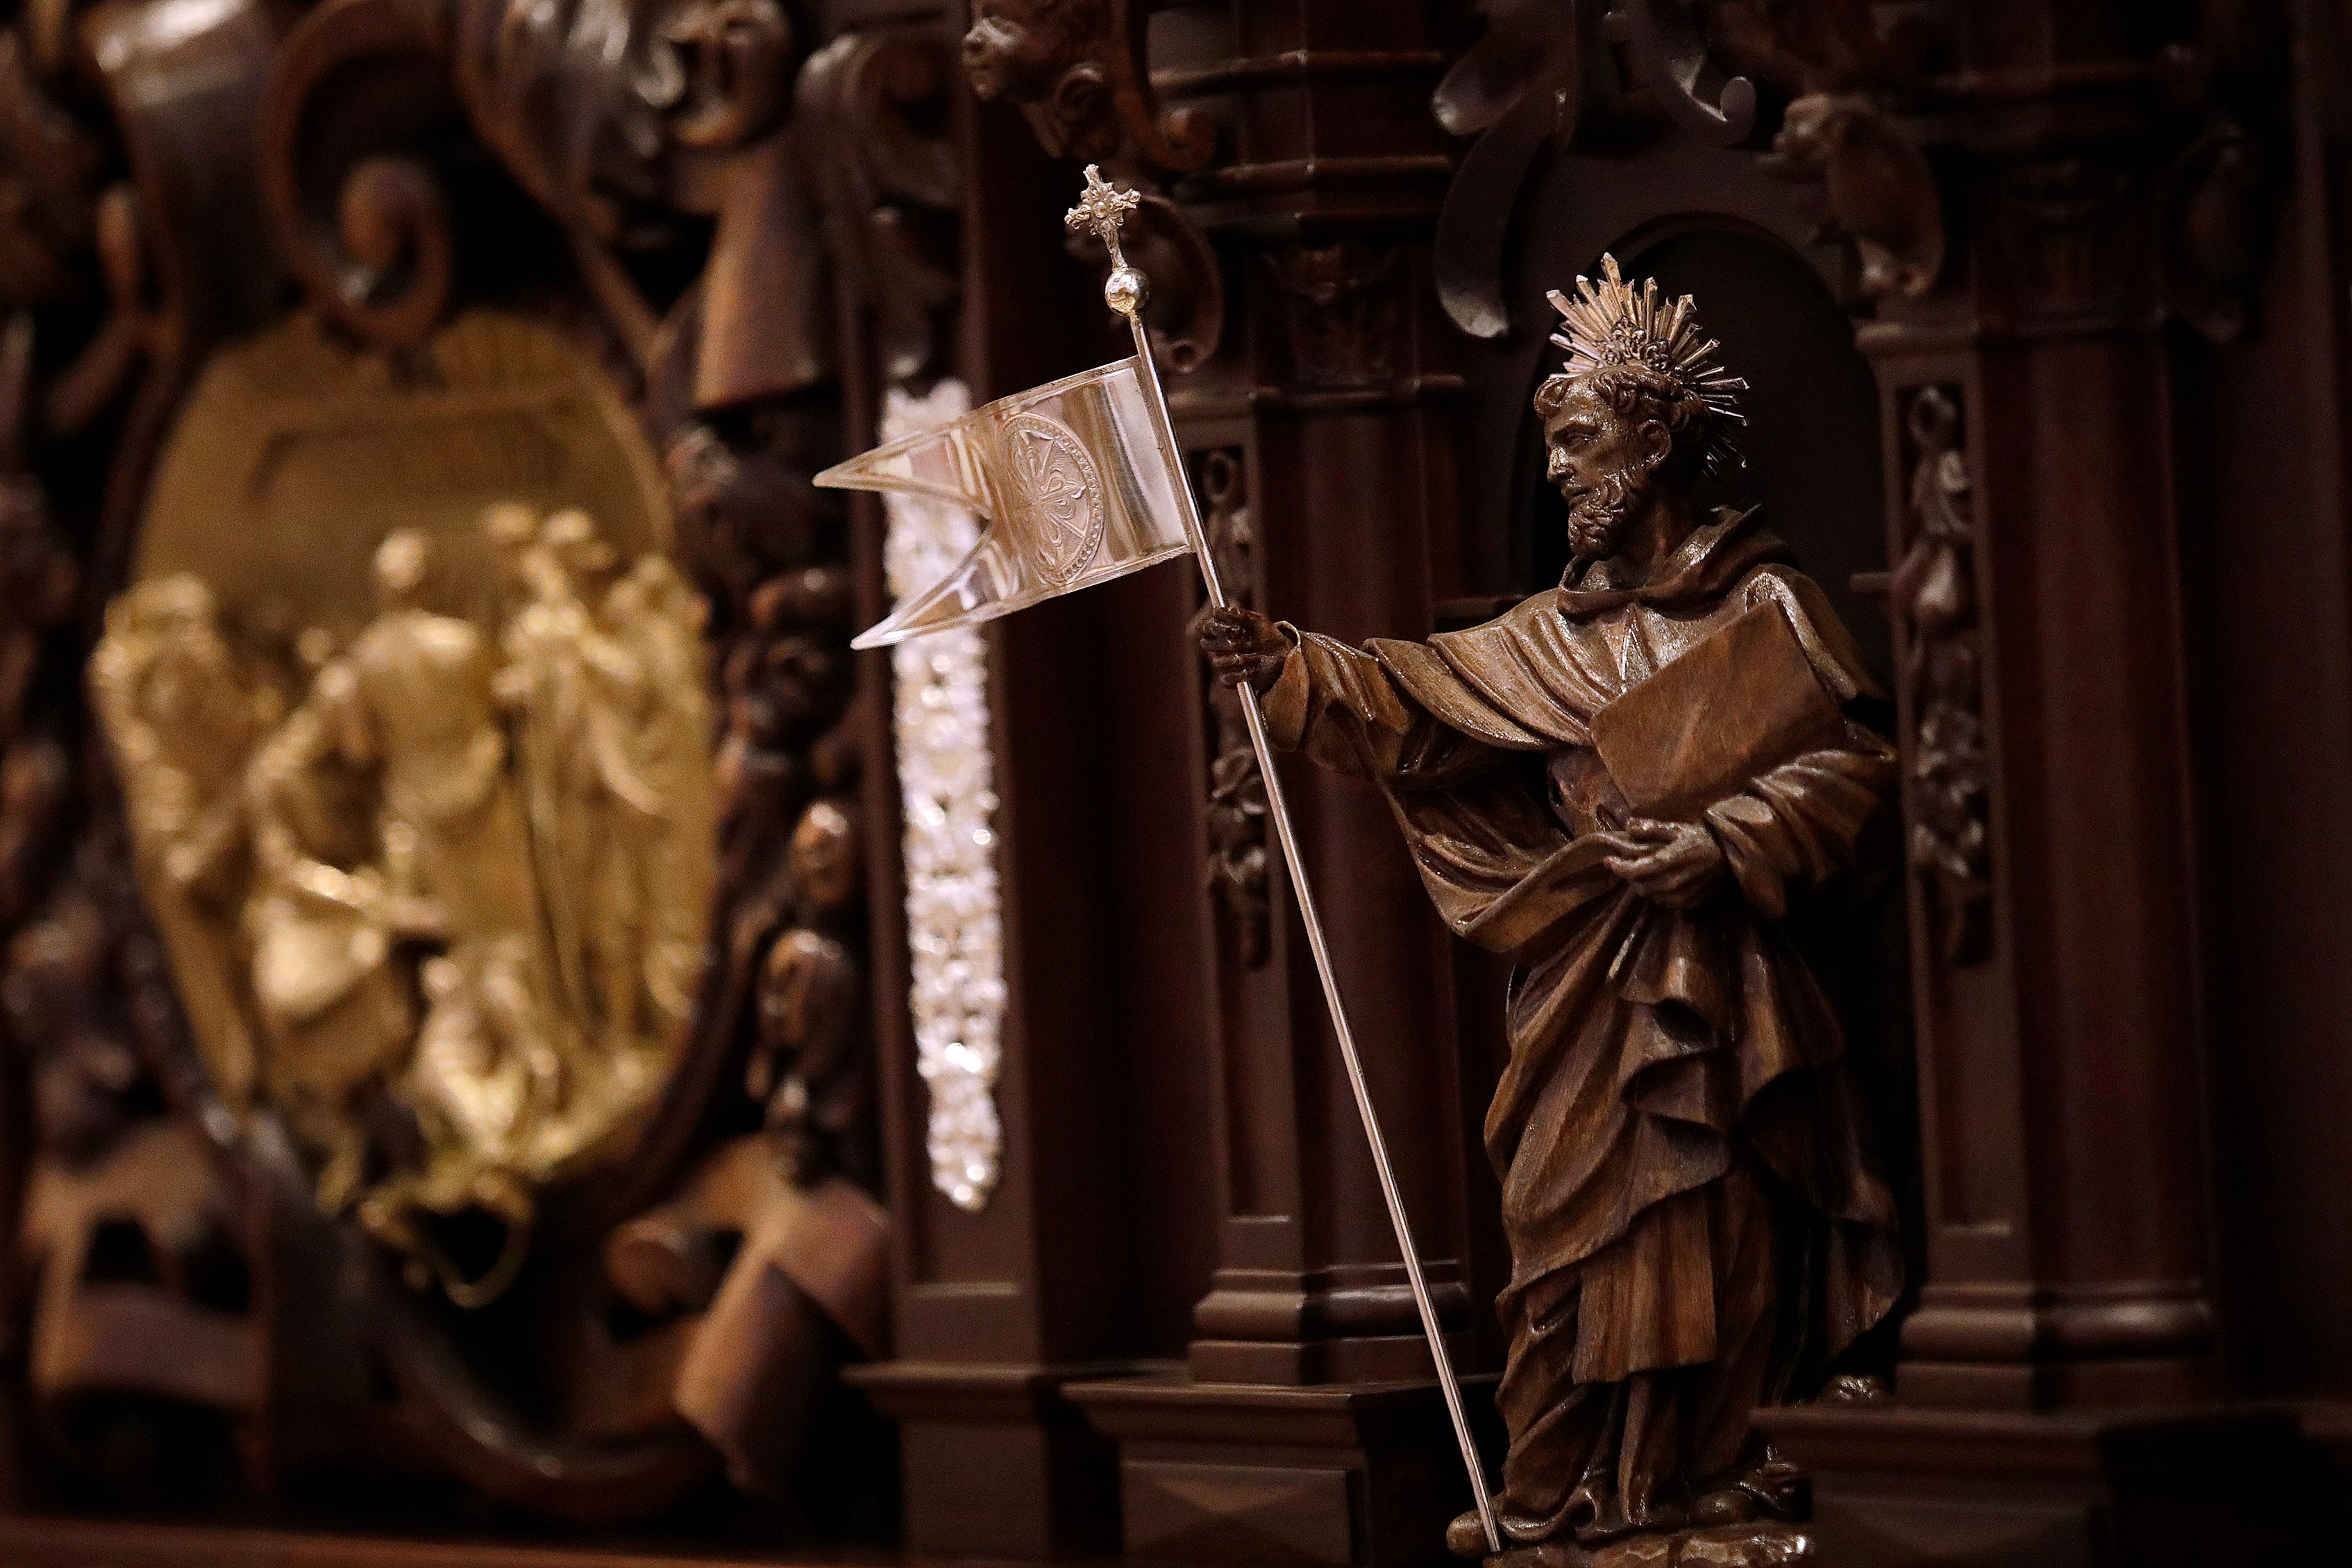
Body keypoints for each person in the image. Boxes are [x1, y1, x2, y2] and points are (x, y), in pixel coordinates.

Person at [1200, 258, 1903, 1557]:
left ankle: (1703, 1478)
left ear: (1657, 434)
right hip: (1583, 983)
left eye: (1582, 441)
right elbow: (1409, 699)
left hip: (1723, 989)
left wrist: (1722, 841)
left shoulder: (1765, 604)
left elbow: (1856, 768)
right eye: (1554, 451)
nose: (1565, 474)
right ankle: (1575, 1496)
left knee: (1717, 1224)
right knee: (1563, 1225)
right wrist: (1286, 661)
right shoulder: (1549, 636)